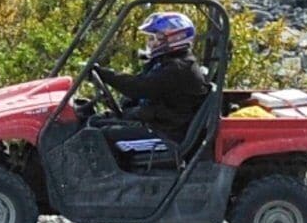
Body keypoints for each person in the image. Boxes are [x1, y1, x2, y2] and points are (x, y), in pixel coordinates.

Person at [91, 10, 216, 162]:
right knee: (94, 123)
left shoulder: (179, 68)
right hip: (160, 126)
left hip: (168, 137)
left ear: (175, 38)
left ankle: (100, 183)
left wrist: (104, 74)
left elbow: (138, 88)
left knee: (98, 138)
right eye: (150, 38)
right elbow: (141, 85)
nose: (150, 43)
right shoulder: (166, 62)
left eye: (155, 38)